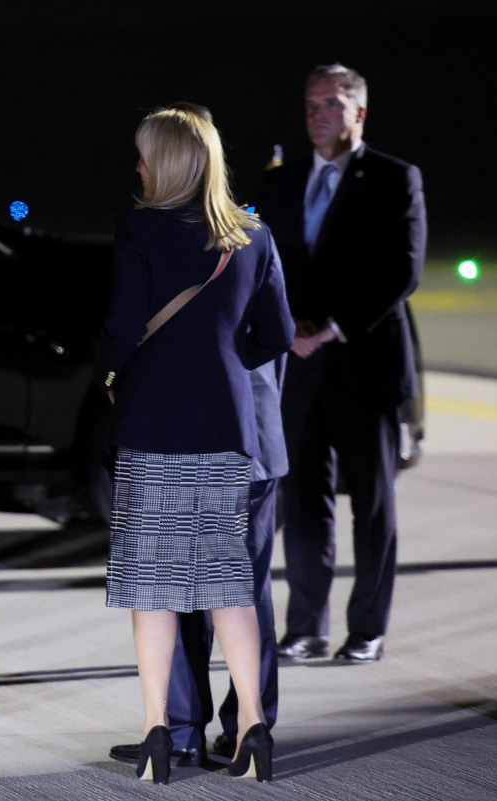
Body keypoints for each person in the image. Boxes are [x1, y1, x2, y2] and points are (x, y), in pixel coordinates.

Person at [95, 106, 294, 785]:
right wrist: (220, 360)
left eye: (146, 156)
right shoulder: (252, 234)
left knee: (154, 589)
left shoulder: (140, 228)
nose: (139, 168)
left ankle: (158, 732)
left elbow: (123, 327)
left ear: (169, 162)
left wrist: (109, 374)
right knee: (228, 585)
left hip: (154, 423)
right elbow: (276, 334)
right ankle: (253, 728)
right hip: (227, 426)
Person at [260, 64, 426, 664]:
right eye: (310, 105)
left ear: (358, 112)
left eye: (330, 104)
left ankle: (368, 628)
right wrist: (288, 331)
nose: (318, 115)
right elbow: (268, 265)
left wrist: (331, 327)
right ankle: (305, 627)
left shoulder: (393, 178)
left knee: (372, 502)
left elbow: (402, 271)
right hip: (301, 366)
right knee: (303, 503)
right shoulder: (283, 181)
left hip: (365, 363)